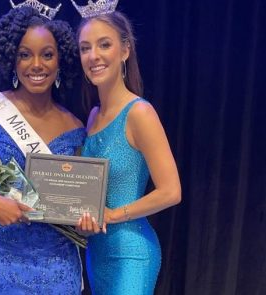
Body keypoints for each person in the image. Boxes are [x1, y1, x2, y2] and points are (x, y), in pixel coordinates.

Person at [0, 6, 85, 294]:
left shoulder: (75, 127)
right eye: (25, 54)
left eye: (47, 54)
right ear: (11, 59)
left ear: (60, 59)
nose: (36, 65)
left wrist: (85, 218)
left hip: (57, 262)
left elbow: (76, 201)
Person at [74, 9, 182, 295]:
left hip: (131, 253)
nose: (93, 55)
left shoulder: (140, 113)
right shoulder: (94, 116)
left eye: (104, 44)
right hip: (97, 253)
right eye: (85, 48)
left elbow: (171, 191)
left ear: (125, 50)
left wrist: (110, 215)